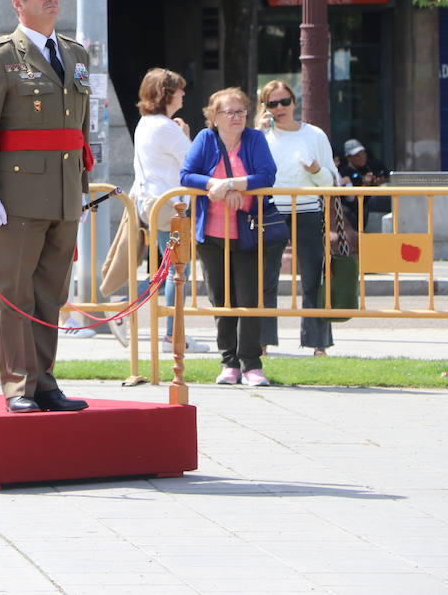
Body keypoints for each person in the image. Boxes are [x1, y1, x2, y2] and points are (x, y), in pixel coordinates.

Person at [0, 0, 92, 414]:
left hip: (61, 193)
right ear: (19, 4)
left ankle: (44, 382)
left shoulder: (76, 53)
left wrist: (80, 182)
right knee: (13, 292)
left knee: (50, 294)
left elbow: (77, 127)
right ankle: (18, 385)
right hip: (14, 197)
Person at [99, 68, 208, 352]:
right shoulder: (165, 127)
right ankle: (172, 334)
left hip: (155, 204)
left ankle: (130, 312)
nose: (184, 94)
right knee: (176, 270)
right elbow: (195, 160)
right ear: (167, 94)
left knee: (167, 269)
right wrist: (185, 133)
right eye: (179, 90)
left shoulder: (147, 123)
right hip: (170, 205)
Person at [179, 87, 279, 387]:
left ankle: (251, 364)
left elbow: (267, 174)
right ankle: (228, 362)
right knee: (221, 300)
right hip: (211, 233)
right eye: (229, 112)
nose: (237, 117)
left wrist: (234, 184)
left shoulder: (255, 139)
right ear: (214, 117)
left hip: (248, 232)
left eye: (241, 112)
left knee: (249, 299)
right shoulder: (205, 139)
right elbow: (186, 174)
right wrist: (215, 184)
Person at [259, 80, 338, 355]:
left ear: (294, 102)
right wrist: (258, 133)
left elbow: (331, 181)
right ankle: (262, 343)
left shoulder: (314, 135)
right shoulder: (261, 137)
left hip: (306, 210)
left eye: (284, 102)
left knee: (313, 278)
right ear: (264, 107)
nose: (279, 108)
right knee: (265, 277)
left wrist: (316, 170)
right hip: (271, 211)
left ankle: (318, 344)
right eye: (272, 103)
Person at [338, 138, 391, 228]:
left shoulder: (373, 165)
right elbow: (350, 200)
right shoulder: (345, 173)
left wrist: (379, 182)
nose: (362, 157)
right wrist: (365, 186)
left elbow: (388, 177)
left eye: (363, 153)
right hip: (358, 211)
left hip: (377, 208)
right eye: (357, 155)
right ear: (349, 158)